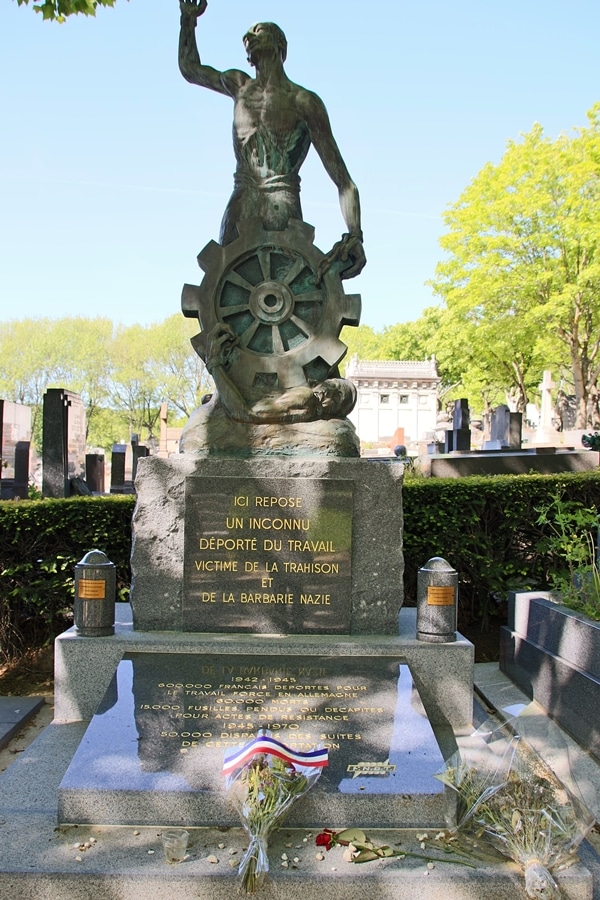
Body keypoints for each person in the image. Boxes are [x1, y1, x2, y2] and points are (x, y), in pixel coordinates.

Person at [178, 1, 366, 281]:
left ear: (281, 44)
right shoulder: (238, 84)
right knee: (226, 286)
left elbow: (343, 180)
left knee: (284, 288)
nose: (249, 37)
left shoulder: (305, 102)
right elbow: (190, 69)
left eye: (259, 30)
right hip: (241, 202)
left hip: (283, 206)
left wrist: (355, 235)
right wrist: (188, 22)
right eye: (247, 35)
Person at [205, 325, 356, 424]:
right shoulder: (305, 393)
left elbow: (246, 413)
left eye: (338, 397)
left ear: (335, 411)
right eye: (332, 384)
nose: (328, 391)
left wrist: (215, 365)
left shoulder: (307, 400)